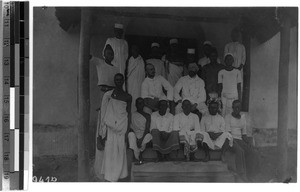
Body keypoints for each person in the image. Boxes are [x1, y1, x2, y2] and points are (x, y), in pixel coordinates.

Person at [97, 73, 132, 182]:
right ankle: (110, 177)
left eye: (120, 80)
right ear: (114, 81)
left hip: (122, 128)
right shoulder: (108, 95)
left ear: (123, 81)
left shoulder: (128, 96)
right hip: (110, 129)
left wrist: (127, 131)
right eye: (116, 80)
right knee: (110, 152)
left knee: (120, 151)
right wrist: (103, 131)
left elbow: (128, 113)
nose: (118, 81)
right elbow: (104, 113)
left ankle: (119, 176)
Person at [225, 100, 260, 181]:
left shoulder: (242, 118)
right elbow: (228, 133)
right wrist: (233, 142)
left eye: (239, 107)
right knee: (240, 151)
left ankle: (251, 175)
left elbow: (244, 135)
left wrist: (249, 143)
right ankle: (241, 174)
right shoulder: (228, 117)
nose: (237, 109)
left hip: (240, 140)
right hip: (231, 139)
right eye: (235, 107)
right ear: (232, 108)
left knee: (253, 152)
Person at [128, 98, 152, 164]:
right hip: (135, 134)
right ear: (136, 105)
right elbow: (130, 127)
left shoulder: (147, 115)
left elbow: (147, 129)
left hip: (143, 134)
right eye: (138, 103)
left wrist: (141, 139)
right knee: (130, 135)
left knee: (149, 136)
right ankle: (136, 156)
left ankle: (140, 154)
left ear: (144, 104)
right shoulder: (132, 115)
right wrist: (136, 138)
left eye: (141, 103)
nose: (140, 105)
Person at [126, 45, 145, 112]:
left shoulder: (141, 60)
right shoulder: (129, 60)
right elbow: (127, 73)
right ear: (131, 51)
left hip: (140, 84)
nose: (135, 51)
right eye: (134, 49)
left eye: (136, 49)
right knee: (132, 101)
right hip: (131, 85)